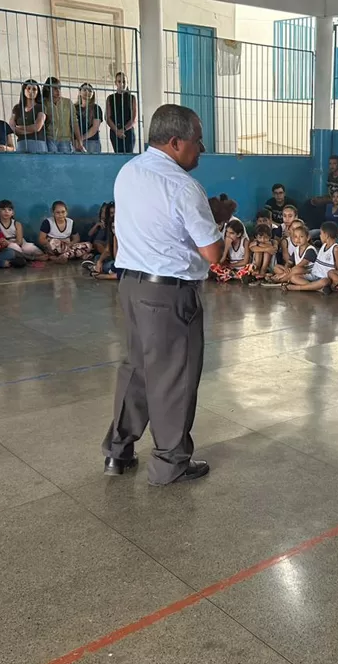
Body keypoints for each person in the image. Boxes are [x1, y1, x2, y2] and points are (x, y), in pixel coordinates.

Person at [102, 104, 226, 486]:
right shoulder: (184, 186)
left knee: (136, 369)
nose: (201, 148)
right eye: (197, 140)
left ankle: (117, 454)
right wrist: (216, 216)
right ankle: (170, 463)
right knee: (175, 376)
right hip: (170, 294)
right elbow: (214, 254)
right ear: (175, 142)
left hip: (131, 285)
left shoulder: (128, 172)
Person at [284, 221, 338, 294]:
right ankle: (317, 289)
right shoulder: (323, 246)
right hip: (313, 275)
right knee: (293, 278)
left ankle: (296, 288)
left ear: (326, 235)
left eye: (321, 233)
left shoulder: (336, 249)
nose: (320, 236)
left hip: (324, 277)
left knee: (325, 281)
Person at [43, 77, 82, 153]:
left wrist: (79, 140)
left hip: (65, 139)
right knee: (52, 162)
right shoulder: (44, 103)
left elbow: (74, 122)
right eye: (55, 88)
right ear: (48, 89)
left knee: (65, 162)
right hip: (50, 138)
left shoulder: (67, 102)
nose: (58, 91)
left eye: (59, 88)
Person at [8, 79, 48, 153]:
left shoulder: (41, 107)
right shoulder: (17, 108)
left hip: (37, 143)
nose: (31, 91)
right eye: (28, 88)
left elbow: (37, 127)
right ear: (24, 90)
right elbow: (11, 127)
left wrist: (20, 128)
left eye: (34, 89)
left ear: (37, 92)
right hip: (21, 143)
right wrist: (29, 130)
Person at [209, 218, 252, 283]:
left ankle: (234, 275)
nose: (228, 235)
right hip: (231, 268)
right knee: (214, 266)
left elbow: (245, 261)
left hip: (242, 267)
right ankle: (235, 276)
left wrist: (231, 265)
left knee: (251, 268)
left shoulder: (245, 241)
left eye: (231, 233)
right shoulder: (226, 241)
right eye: (227, 232)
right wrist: (226, 247)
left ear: (239, 234)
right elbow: (221, 261)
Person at [106, 71, 138, 153]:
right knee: (117, 154)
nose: (122, 84)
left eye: (124, 81)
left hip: (128, 131)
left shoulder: (132, 98)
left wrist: (123, 130)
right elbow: (108, 118)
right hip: (114, 131)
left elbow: (134, 118)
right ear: (116, 83)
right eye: (119, 81)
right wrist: (117, 131)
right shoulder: (110, 98)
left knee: (128, 155)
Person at [75, 82, 103, 153]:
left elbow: (94, 128)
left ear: (93, 94)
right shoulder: (74, 108)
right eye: (84, 90)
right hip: (75, 142)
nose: (87, 92)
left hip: (92, 142)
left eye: (90, 91)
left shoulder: (96, 108)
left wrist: (80, 139)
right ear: (80, 92)